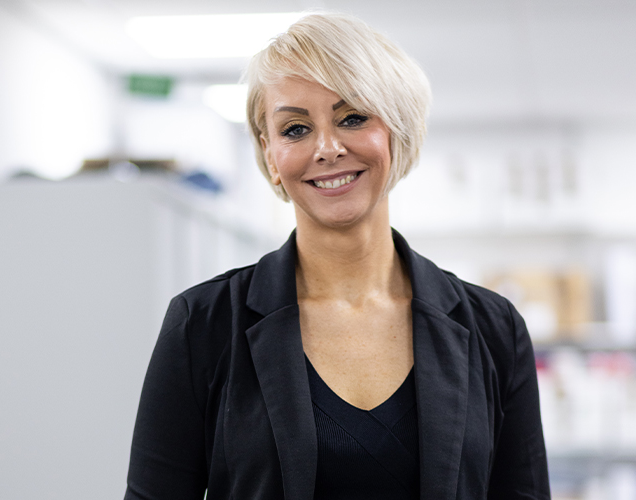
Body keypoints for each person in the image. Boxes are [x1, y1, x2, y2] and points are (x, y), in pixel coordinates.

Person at [125, 12, 550, 500]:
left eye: (352, 118)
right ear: (269, 152)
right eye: (295, 129)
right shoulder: (202, 323)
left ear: (397, 130)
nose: (326, 148)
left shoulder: (493, 329)